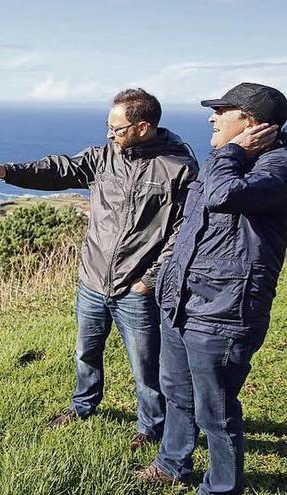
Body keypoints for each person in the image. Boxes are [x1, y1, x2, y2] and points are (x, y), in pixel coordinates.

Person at [0, 89, 198, 450]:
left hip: (136, 288)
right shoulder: (105, 156)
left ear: (143, 127)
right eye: (108, 126)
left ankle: (151, 427)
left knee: (146, 368)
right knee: (85, 353)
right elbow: (58, 170)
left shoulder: (178, 167)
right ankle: (83, 406)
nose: (110, 134)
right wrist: (6, 172)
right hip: (93, 281)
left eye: (117, 128)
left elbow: (183, 231)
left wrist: (149, 280)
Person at [138, 82, 287, 494]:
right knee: (176, 391)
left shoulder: (277, 167)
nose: (212, 116)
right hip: (182, 300)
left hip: (224, 310)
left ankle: (221, 487)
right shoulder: (229, 160)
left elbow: (223, 197)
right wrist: (163, 278)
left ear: (251, 123)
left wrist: (232, 153)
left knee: (216, 411)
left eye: (223, 110)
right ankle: (172, 463)